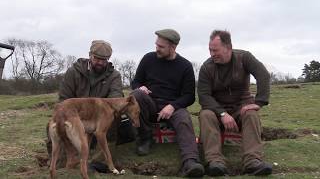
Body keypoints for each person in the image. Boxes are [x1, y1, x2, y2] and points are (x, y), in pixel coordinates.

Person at [130, 29, 204, 177]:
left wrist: (173, 106)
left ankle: (190, 161)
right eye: (156, 45)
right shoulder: (148, 59)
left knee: (184, 119)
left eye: (161, 46)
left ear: (173, 47)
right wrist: (140, 87)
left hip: (173, 106)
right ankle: (145, 139)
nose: (157, 48)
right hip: (150, 102)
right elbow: (136, 81)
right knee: (136, 94)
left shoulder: (185, 66)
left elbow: (189, 96)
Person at [197, 30, 272, 176]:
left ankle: (252, 161)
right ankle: (214, 161)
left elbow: (263, 75)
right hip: (217, 109)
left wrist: (259, 102)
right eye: (210, 50)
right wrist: (222, 113)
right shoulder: (206, 67)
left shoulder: (244, 57)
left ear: (228, 47)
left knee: (251, 114)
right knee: (205, 114)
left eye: (215, 50)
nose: (212, 54)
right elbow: (204, 96)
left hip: (241, 106)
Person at [46, 40, 126, 170]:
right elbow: (63, 99)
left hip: (100, 119)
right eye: (96, 58)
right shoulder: (73, 72)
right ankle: (62, 163)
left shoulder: (114, 76)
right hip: (75, 116)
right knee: (55, 123)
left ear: (109, 59)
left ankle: (99, 163)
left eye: (104, 60)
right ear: (90, 55)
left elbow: (115, 100)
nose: (100, 62)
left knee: (113, 121)